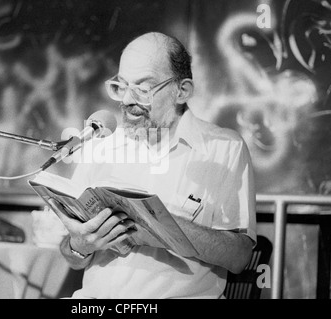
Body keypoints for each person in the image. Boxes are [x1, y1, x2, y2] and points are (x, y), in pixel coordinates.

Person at [54, 32, 257, 298]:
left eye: (143, 88)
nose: (126, 100)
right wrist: (80, 245)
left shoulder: (224, 148)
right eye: (122, 86)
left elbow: (239, 257)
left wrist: (157, 228)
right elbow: (71, 256)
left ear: (181, 90)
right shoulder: (101, 146)